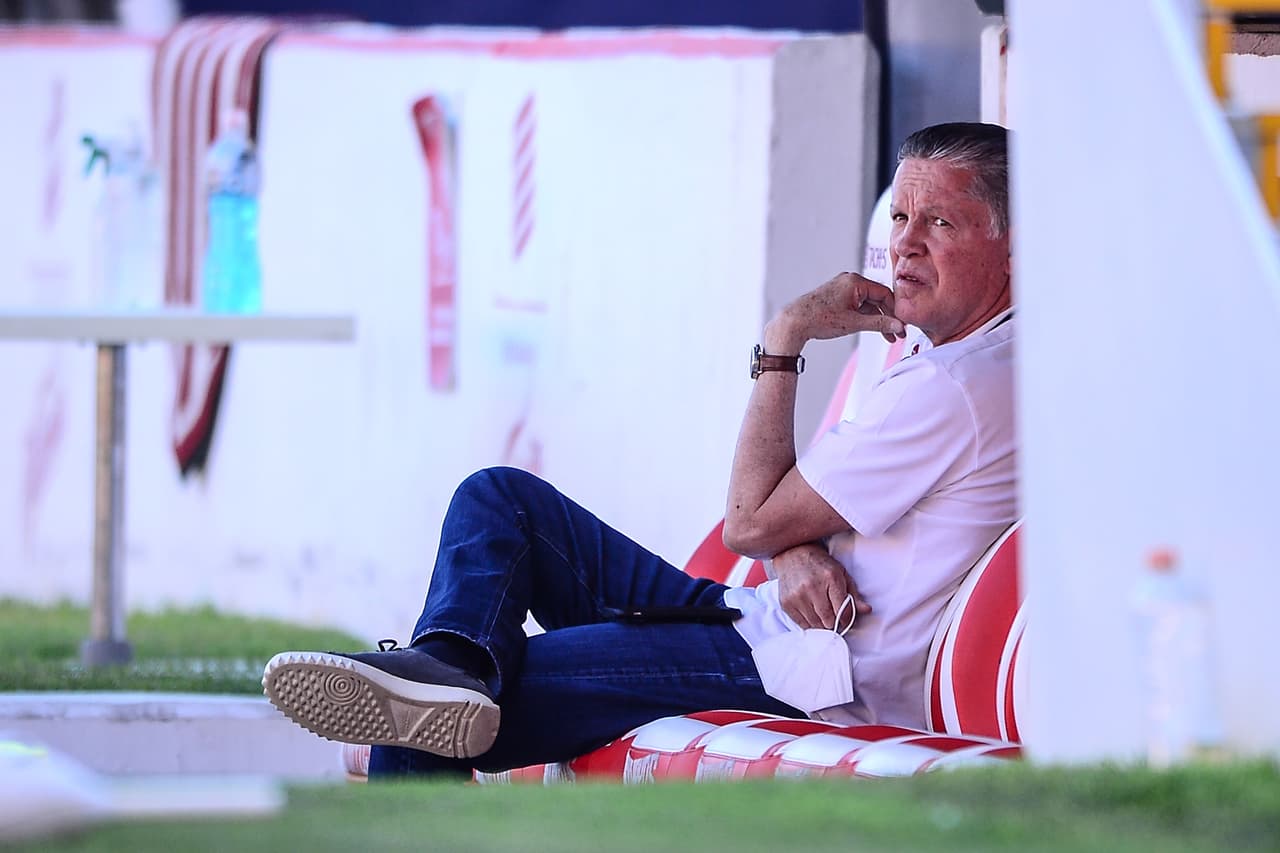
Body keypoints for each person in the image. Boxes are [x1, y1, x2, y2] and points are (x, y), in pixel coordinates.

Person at [262, 121, 1017, 778]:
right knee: (500, 499)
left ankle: (451, 677)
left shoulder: (956, 384)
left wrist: (787, 333)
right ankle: (453, 661)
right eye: (903, 215)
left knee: (427, 713)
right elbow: (777, 525)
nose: (905, 244)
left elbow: (749, 521)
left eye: (941, 223)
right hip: (753, 622)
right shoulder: (974, 360)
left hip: (803, 675)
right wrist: (793, 548)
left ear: (1014, 244)